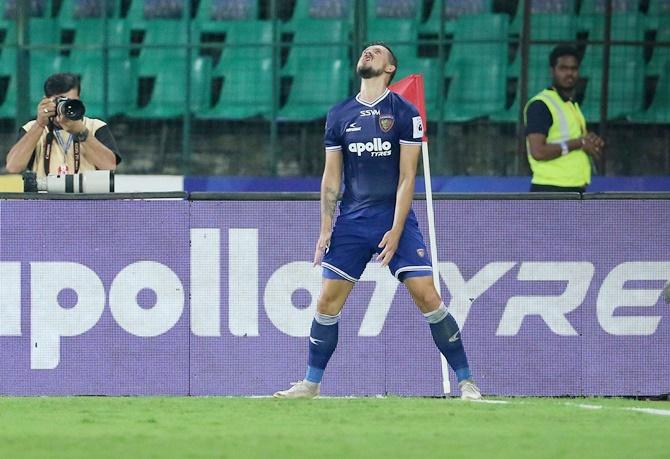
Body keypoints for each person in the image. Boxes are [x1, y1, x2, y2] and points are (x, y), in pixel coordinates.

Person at [274, 42, 481, 400]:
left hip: (394, 218)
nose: (369, 53)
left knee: (427, 296)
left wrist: (397, 229)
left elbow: (407, 176)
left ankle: (467, 382)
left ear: (390, 69)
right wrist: (325, 229)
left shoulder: (404, 112)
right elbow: (331, 178)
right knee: (326, 303)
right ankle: (310, 384)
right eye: (366, 50)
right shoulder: (339, 114)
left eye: (378, 52)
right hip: (352, 222)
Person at [5, 72, 120, 176]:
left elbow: (109, 166)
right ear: (45, 101)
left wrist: (81, 132)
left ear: (79, 100)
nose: (65, 107)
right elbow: (13, 167)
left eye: (70, 101)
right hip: (44, 197)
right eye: (59, 101)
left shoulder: (95, 126)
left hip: (85, 198)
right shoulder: (31, 128)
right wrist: (39, 125)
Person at [524, 45, 605, 192]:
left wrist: (588, 140)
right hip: (550, 191)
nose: (569, 73)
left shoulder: (570, 105)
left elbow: (568, 137)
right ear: (552, 71)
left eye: (573, 69)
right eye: (563, 68)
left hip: (573, 189)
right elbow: (538, 151)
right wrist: (580, 142)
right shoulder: (541, 105)